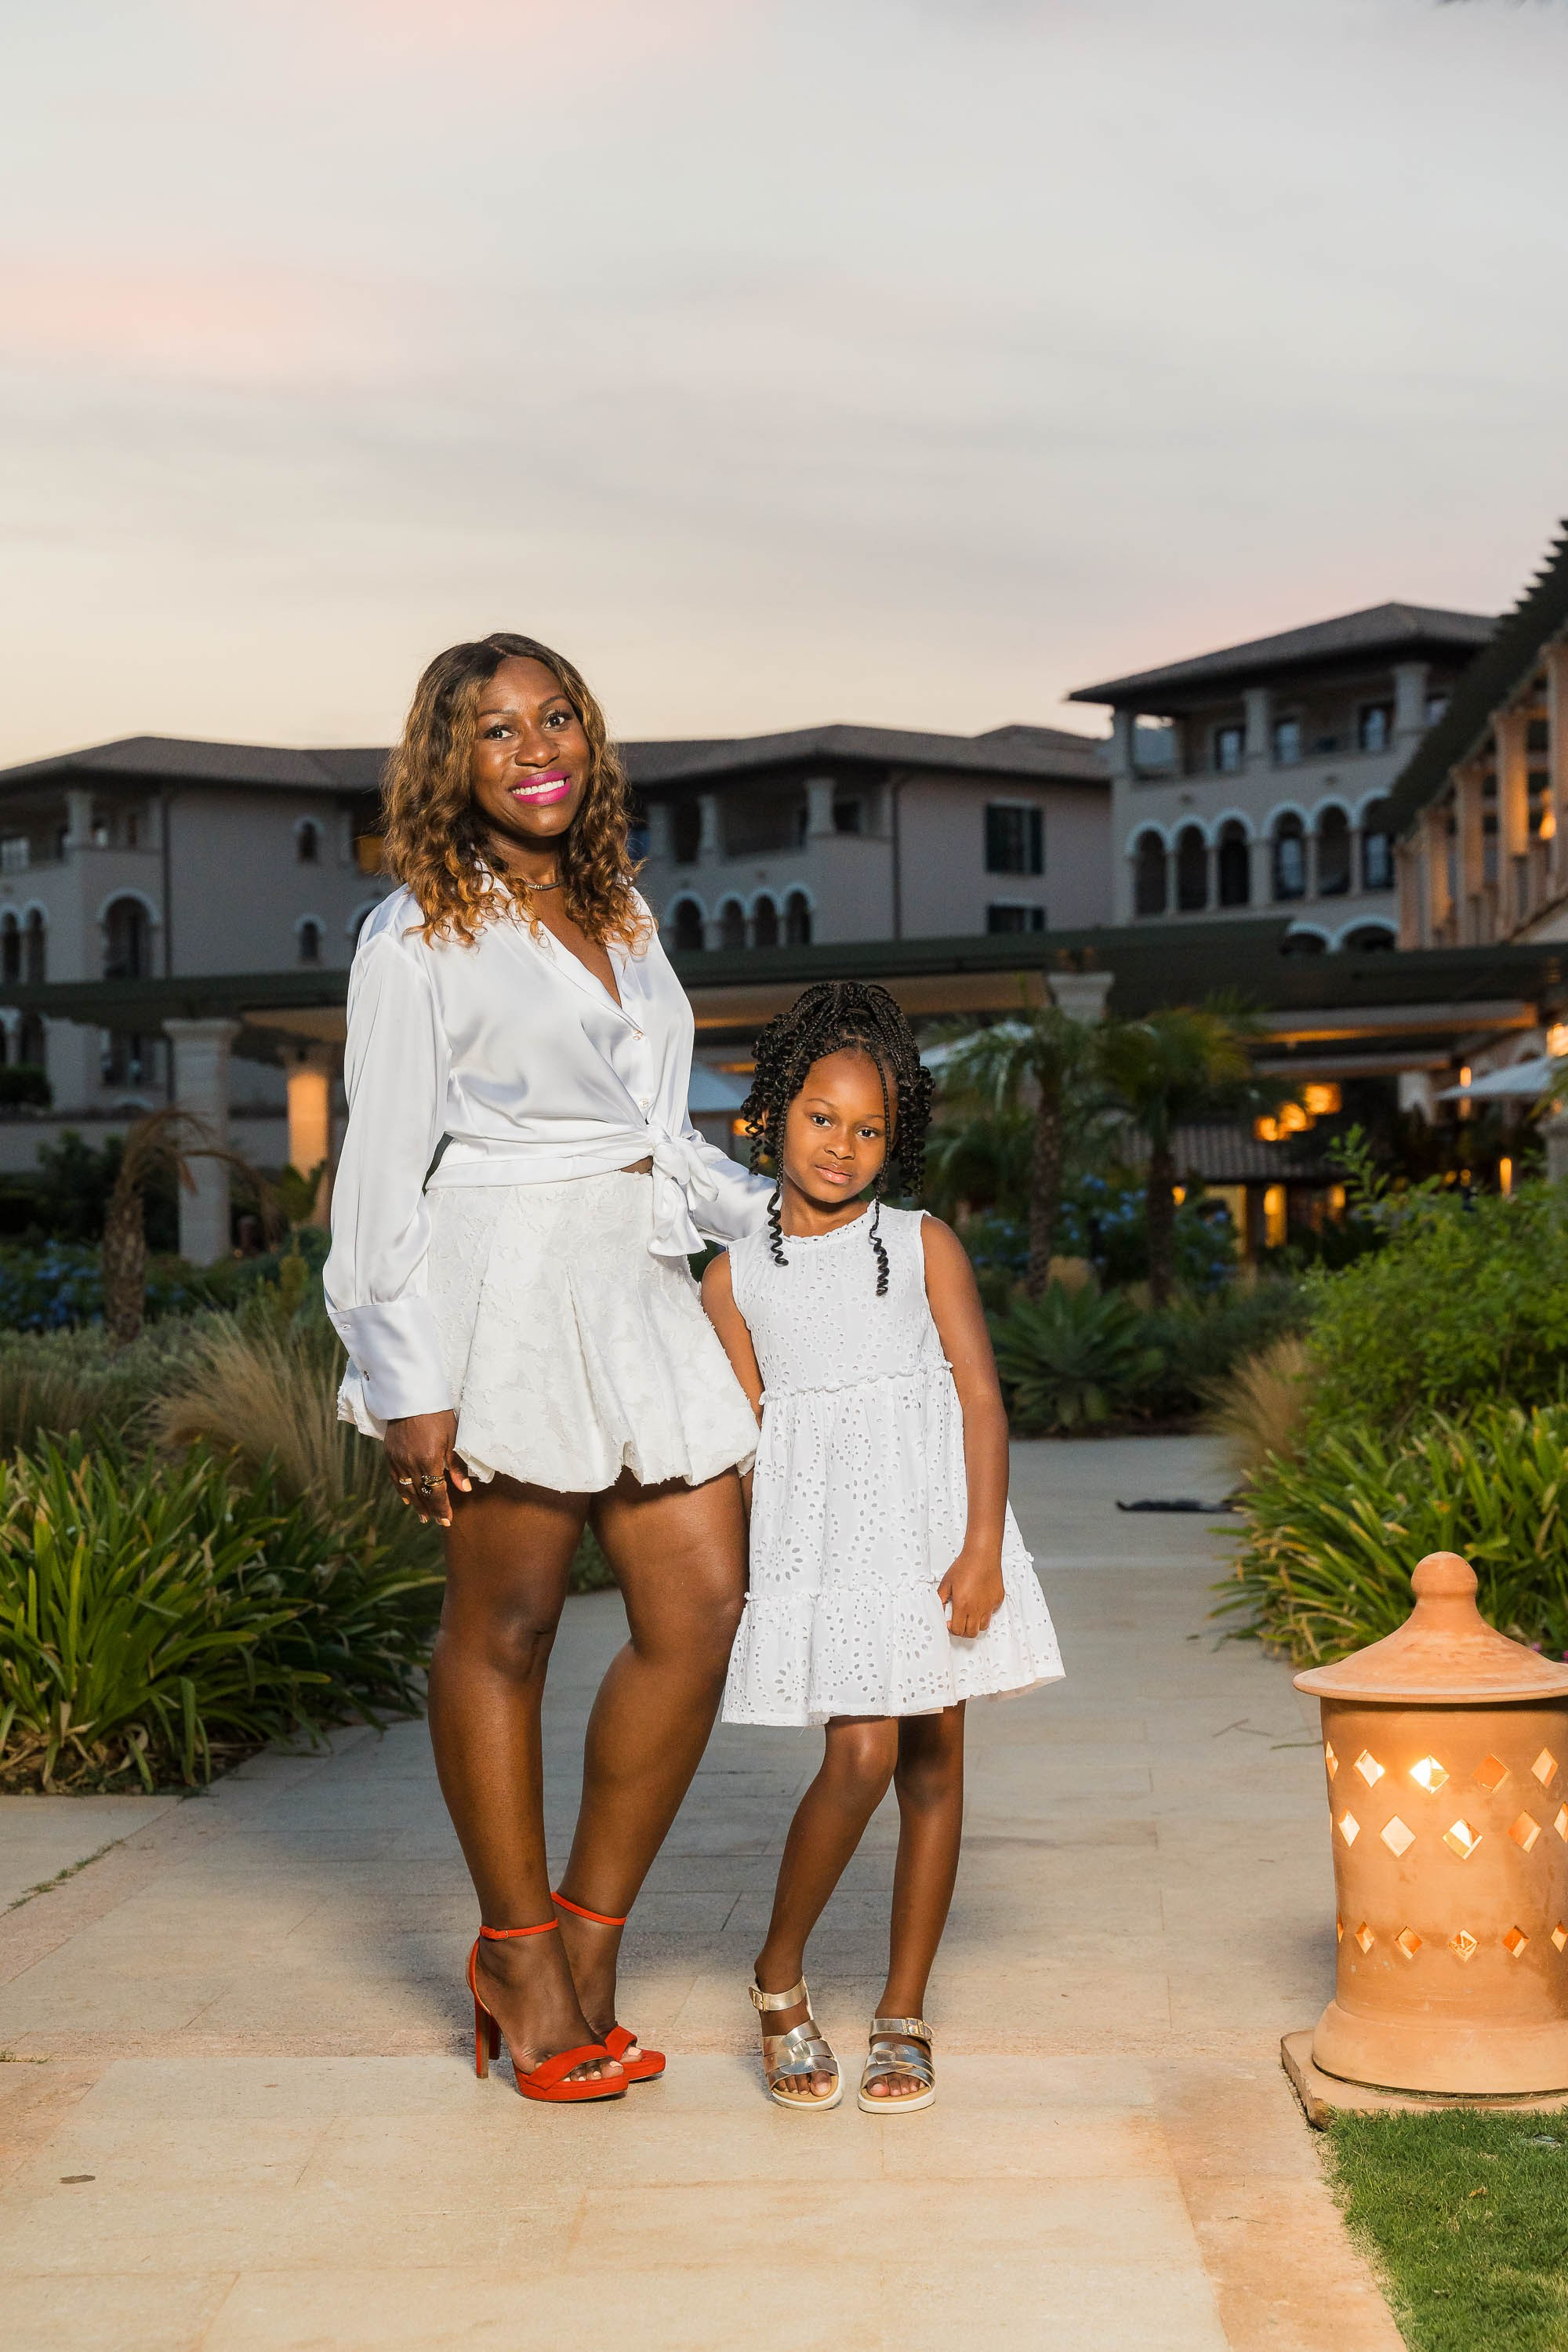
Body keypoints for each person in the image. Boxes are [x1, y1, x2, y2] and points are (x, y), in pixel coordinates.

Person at [325, 632, 768, 2107]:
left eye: (557, 716)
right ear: (450, 760)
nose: (536, 748)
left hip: (634, 1280)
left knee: (699, 1610)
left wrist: (777, 1226)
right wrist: (407, 1377)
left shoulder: (621, 907)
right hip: (502, 1285)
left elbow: (658, 1129)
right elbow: (381, 1166)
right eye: (498, 728)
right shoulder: (416, 933)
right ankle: (517, 1960)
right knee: (504, 1627)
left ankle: (584, 1937)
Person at [701, 982, 1062, 2112]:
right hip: (826, 1547)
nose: (842, 1146)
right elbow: (747, 1440)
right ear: (774, 1111)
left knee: (934, 1764)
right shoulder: (732, 1277)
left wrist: (982, 1547)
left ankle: (903, 2012)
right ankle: (777, 1975)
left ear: (893, 1141)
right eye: (822, 1118)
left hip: (931, 1534)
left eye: (869, 1130)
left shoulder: (920, 1244)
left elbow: (981, 1400)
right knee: (860, 1756)